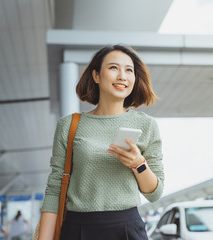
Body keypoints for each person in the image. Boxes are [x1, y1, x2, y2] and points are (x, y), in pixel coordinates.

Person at [38, 44, 164, 240]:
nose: (122, 76)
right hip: (77, 229)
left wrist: (138, 164)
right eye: (114, 68)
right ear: (96, 76)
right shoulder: (69, 125)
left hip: (127, 228)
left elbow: (154, 193)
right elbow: (54, 188)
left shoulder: (146, 125)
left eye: (129, 70)